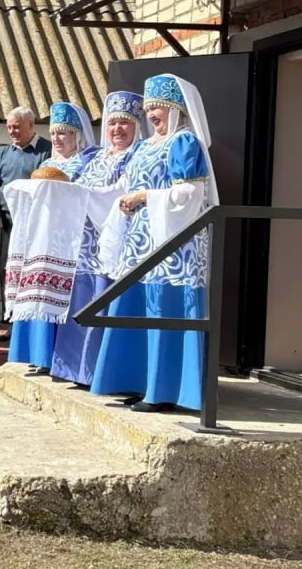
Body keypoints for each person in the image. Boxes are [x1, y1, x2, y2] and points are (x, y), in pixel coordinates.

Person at [92, 74, 218, 413]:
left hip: (172, 246)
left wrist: (146, 196)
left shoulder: (184, 142)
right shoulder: (146, 146)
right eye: (148, 109)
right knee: (140, 311)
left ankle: (165, 390)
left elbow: (191, 194)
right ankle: (141, 382)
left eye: (158, 109)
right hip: (140, 244)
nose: (152, 116)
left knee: (164, 310)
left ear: (176, 109)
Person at [50, 92, 147, 387]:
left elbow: (120, 191)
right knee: (81, 302)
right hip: (84, 243)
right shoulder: (96, 156)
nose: (117, 129)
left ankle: (97, 371)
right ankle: (73, 369)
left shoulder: (137, 155)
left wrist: (84, 196)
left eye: (125, 123)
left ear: (136, 126)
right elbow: (76, 185)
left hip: (114, 242)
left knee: (103, 303)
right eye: (113, 123)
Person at [6, 102, 96, 371]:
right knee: (38, 291)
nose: (57, 139)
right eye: (54, 133)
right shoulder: (46, 164)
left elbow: (87, 199)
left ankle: (61, 360)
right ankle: (38, 355)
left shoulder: (86, 164)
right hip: (43, 240)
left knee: (63, 299)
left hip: (71, 243)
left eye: (64, 133)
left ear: (77, 135)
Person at [0, 107, 51, 342]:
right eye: (9, 127)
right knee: (8, 273)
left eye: (16, 127)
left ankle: (29, 326)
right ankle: (11, 322)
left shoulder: (46, 151)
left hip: (34, 225)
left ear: (31, 126)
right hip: (7, 224)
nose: (12, 132)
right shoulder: (3, 154)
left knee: (30, 272)